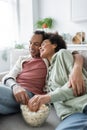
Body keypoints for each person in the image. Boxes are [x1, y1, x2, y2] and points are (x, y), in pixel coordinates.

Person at [0, 30, 84, 114]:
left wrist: (77, 68)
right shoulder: (23, 59)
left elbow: (75, 54)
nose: (31, 47)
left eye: (36, 44)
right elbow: (8, 76)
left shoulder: (48, 59)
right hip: (11, 87)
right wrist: (15, 86)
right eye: (30, 43)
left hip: (28, 93)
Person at [28, 32, 87, 130]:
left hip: (84, 104)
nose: (39, 48)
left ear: (54, 45)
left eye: (43, 44)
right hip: (70, 115)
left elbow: (81, 85)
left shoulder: (62, 54)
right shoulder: (48, 73)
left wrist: (47, 97)